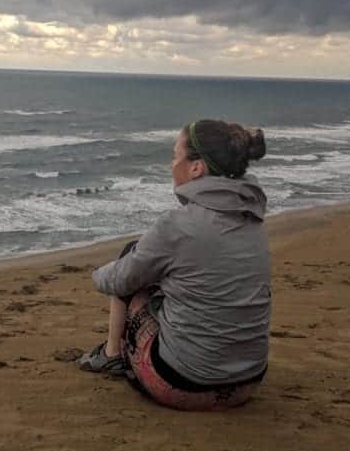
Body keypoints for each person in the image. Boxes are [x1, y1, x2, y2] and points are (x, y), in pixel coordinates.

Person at [78, 119, 270, 410]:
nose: (171, 164)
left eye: (175, 155)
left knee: (133, 260)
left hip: (184, 384)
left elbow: (119, 281)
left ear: (197, 167)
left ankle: (112, 353)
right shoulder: (252, 219)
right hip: (248, 381)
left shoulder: (177, 225)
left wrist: (96, 275)